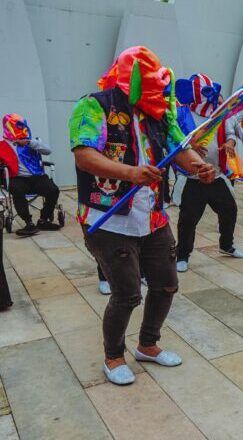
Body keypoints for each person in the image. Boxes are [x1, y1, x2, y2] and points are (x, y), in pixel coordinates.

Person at [70, 46, 216, 385]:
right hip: (108, 218)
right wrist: (130, 173)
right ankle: (113, 355)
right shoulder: (94, 105)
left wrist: (200, 168)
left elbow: (181, 148)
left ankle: (148, 345)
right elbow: (84, 155)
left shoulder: (159, 112)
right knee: (127, 294)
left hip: (152, 216)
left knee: (166, 284)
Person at [174, 73, 243, 273]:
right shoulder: (182, 114)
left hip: (216, 175)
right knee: (188, 219)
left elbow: (231, 132)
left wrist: (229, 143)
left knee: (229, 210)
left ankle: (226, 245)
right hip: (192, 177)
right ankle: (182, 255)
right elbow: (173, 140)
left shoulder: (219, 114)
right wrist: (190, 145)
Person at [1, 114, 61, 236]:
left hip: (36, 176)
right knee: (17, 191)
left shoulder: (32, 142)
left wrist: (29, 142)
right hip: (16, 178)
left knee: (53, 190)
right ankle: (28, 223)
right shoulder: (2, 145)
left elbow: (48, 151)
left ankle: (43, 220)